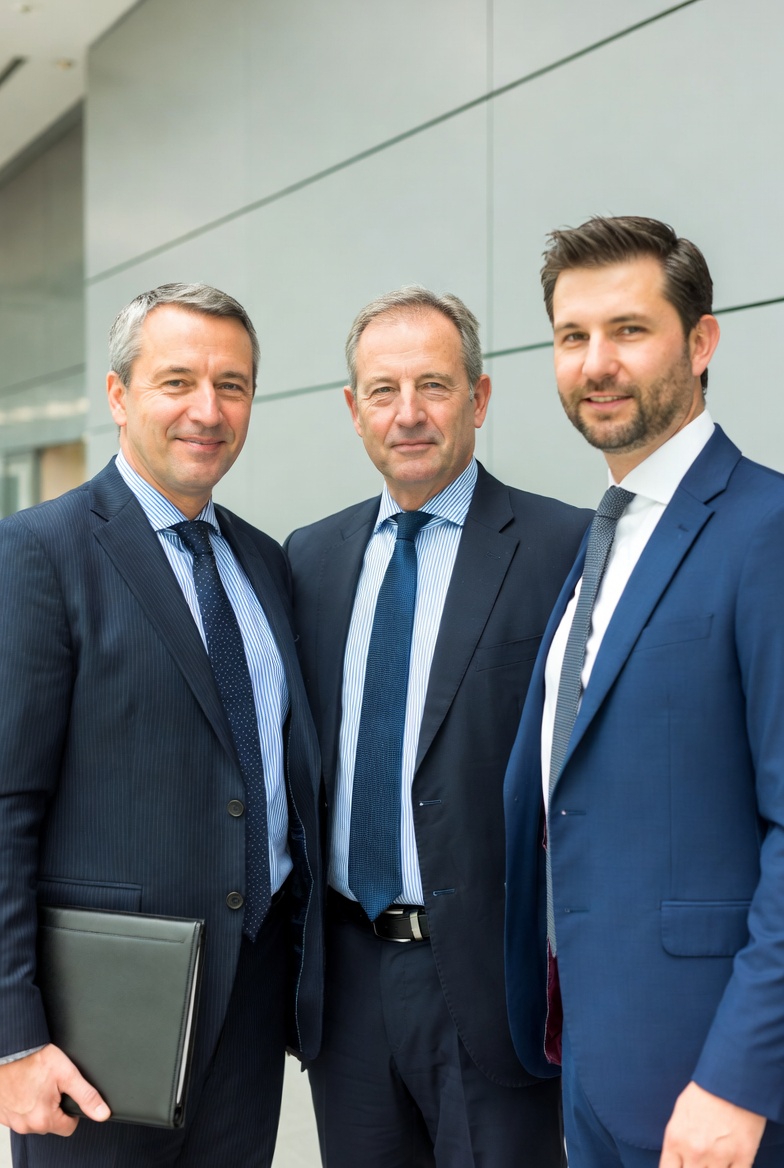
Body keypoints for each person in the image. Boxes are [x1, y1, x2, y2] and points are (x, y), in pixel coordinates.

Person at [0, 283, 323, 1167]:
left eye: (232, 385)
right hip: (100, 1025)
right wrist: (14, 1038)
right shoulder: (40, 552)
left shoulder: (265, 561)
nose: (207, 411)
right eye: (177, 381)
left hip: (249, 1010)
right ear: (118, 395)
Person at [286, 285, 590, 1166]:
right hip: (349, 980)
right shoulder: (311, 556)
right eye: (383, 391)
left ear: (479, 398)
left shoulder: (563, 546)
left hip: (494, 983)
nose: (408, 413)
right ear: (354, 411)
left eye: (434, 385)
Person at [503, 216, 784, 1167]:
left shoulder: (767, 530)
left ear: (701, 342)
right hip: (594, 1067)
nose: (597, 363)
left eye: (629, 330)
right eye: (572, 336)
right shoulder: (605, 536)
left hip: (717, 1093)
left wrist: (739, 1081)